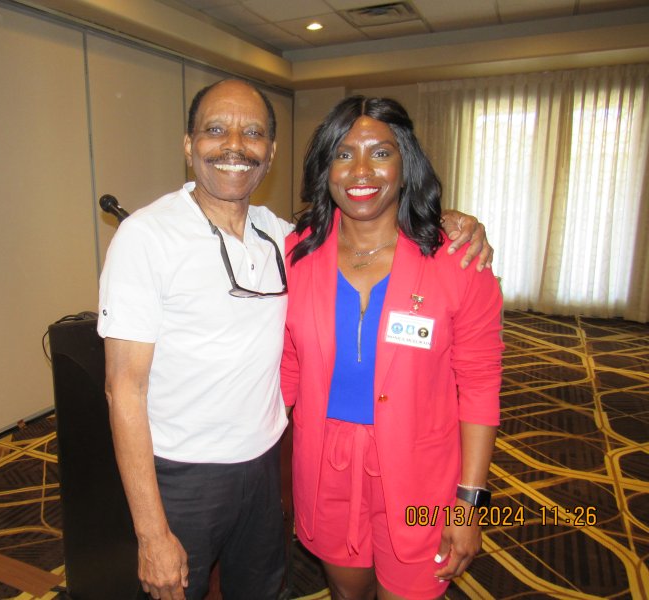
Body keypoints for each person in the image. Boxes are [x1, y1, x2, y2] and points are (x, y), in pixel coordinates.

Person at [97, 80, 492, 600]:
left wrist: (454, 221)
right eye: (215, 129)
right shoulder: (162, 238)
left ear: (271, 151)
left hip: (281, 466)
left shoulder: (283, 238)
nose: (234, 145)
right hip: (204, 471)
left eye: (380, 153)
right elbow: (124, 388)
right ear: (189, 145)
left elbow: (480, 383)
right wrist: (150, 533)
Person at [280, 96, 504, 600]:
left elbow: (480, 387)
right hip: (325, 467)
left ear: (406, 164)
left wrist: (470, 504)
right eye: (343, 153)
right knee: (346, 592)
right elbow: (288, 365)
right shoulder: (298, 252)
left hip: (422, 473)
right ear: (325, 168)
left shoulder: (456, 260)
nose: (361, 170)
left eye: (380, 153)